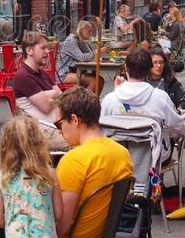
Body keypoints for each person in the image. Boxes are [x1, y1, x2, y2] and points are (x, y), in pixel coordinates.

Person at [54, 88, 134, 238]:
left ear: (74, 120)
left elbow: (61, 227)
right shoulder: (122, 153)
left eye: (59, 124)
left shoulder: (74, 160)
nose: (59, 131)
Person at [0, 115, 63, 237]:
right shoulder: (49, 174)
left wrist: (12, 225)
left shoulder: (3, 178)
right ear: (39, 143)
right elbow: (59, 213)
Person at [101, 49, 185, 144]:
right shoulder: (160, 98)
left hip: (118, 151)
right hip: (152, 151)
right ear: (149, 69)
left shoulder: (109, 99)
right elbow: (178, 126)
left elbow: (100, 128)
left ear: (125, 68)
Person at [13, 32, 70, 151]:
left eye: (47, 48)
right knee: (80, 144)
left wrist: (48, 95)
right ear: (29, 51)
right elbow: (46, 107)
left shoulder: (42, 73)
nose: (47, 51)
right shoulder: (24, 76)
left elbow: (61, 95)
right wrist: (54, 94)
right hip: (40, 131)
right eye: (43, 48)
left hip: (54, 127)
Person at [56, 21, 104, 88]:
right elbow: (82, 58)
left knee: (100, 80)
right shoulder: (71, 41)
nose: (91, 34)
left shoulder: (81, 40)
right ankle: (85, 95)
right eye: (89, 31)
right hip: (63, 74)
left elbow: (90, 54)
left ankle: (89, 95)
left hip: (76, 71)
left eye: (91, 31)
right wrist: (97, 51)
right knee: (95, 81)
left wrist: (98, 49)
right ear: (81, 30)